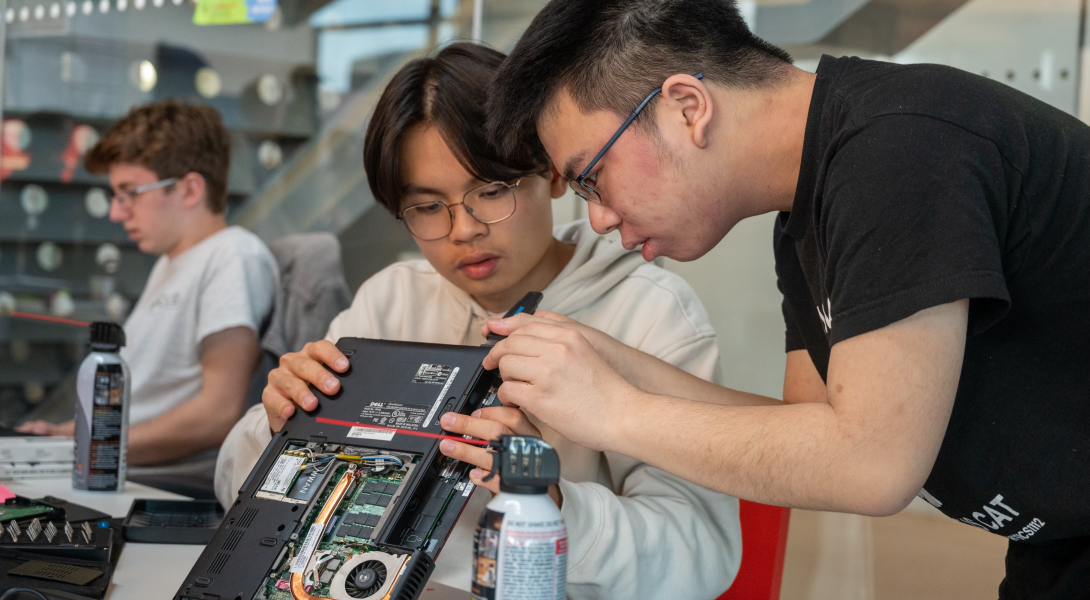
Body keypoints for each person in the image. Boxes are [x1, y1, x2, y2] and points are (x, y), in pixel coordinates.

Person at [477, 1, 1090, 598]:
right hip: (1056, 546)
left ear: (686, 106)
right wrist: (610, 361)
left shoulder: (899, 150)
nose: (598, 217)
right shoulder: (805, 208)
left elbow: (871, 467)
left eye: (591, 176)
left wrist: (611, 411)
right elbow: (809, 430)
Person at [215, 43, 741, 599]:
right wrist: (281, 432)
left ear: (554, 173)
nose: (463, 230)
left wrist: (551, 501)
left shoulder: (648, 312)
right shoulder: (392, 302)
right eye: (426, 206)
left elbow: (700, 561)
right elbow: (232, 486)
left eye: (490, 192)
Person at [19, 101, 278, 473]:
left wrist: (83, 444)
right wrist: (60, 434)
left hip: (156, 480)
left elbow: (218, 413)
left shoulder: (233, 256)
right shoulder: (170, 264)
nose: (116, 212)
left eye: (130, 193)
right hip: (112, 464)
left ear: (189, 189)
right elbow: (144, 402)